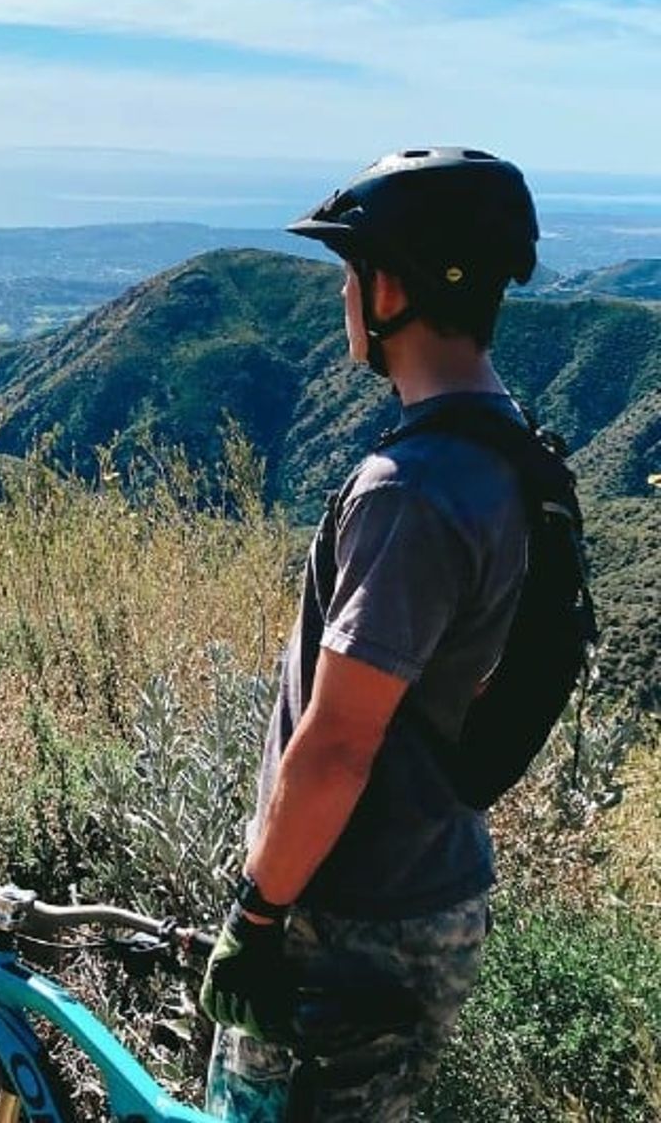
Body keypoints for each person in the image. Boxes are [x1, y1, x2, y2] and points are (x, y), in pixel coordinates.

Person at [199, 147, 541, 1122]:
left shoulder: (413, 492)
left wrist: (257, 915)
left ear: (388, 286)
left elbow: (341, 743)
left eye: (352, 274)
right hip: (438, 882)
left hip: (346, 914)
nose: (347, 298)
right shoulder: (516, 458)